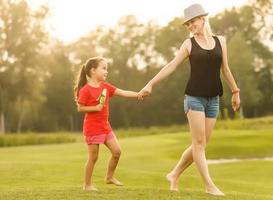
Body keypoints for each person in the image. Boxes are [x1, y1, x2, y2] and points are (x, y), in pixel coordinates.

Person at [137, 3, 240, 196]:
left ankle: (174, 173)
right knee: (199, 143)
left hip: (213, 99)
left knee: (199, 144)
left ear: (202, 19)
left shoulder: (221, 41)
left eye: (193, 21)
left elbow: (225, 69)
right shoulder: (189, 44)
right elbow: (171, 66)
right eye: (188, 24)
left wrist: (235, 92)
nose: (191, 26)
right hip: (194, 98)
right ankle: (210, 186)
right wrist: (150, 83)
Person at [74, 57, 141, 191]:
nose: (106, 72)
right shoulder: (85, 90)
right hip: (92, 128)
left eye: (107, 69)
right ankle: (87, 185)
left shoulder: (106, 87)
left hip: (105, 126)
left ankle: (109, 177)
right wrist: (95, 108)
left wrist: (138, 94)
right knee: (93, 157)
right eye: (103, 68)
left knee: (117, 152)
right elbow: (80, 108)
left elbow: (122, 92)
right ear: (93, 71)